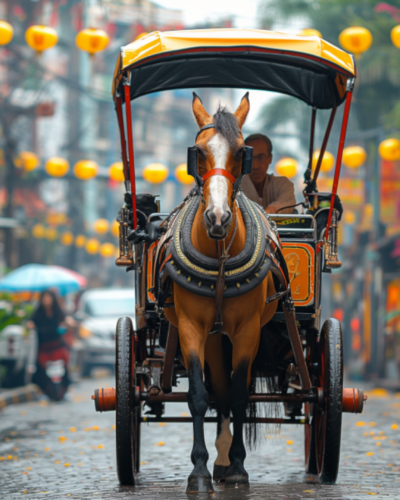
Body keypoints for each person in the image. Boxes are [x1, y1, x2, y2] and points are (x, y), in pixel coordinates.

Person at [27, 290, 74, 399]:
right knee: (41, 369)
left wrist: (68, 323)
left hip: (57, 345)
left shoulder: (58, 311)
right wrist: (30, 326)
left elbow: (66, 320)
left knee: (65, 366)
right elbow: (31, 322)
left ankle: (66, 390)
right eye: (44, 298)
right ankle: (44, 392)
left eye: (48, 297)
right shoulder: (38, 313)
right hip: (44, 346)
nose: (46, 300)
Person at [241, 133, 296, 214]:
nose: (255, 166)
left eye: (261, 158)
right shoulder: (237, 187)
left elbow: (287, 201)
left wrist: (269, 211)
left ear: (270, 158)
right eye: (250, 158)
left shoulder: (282, 184)